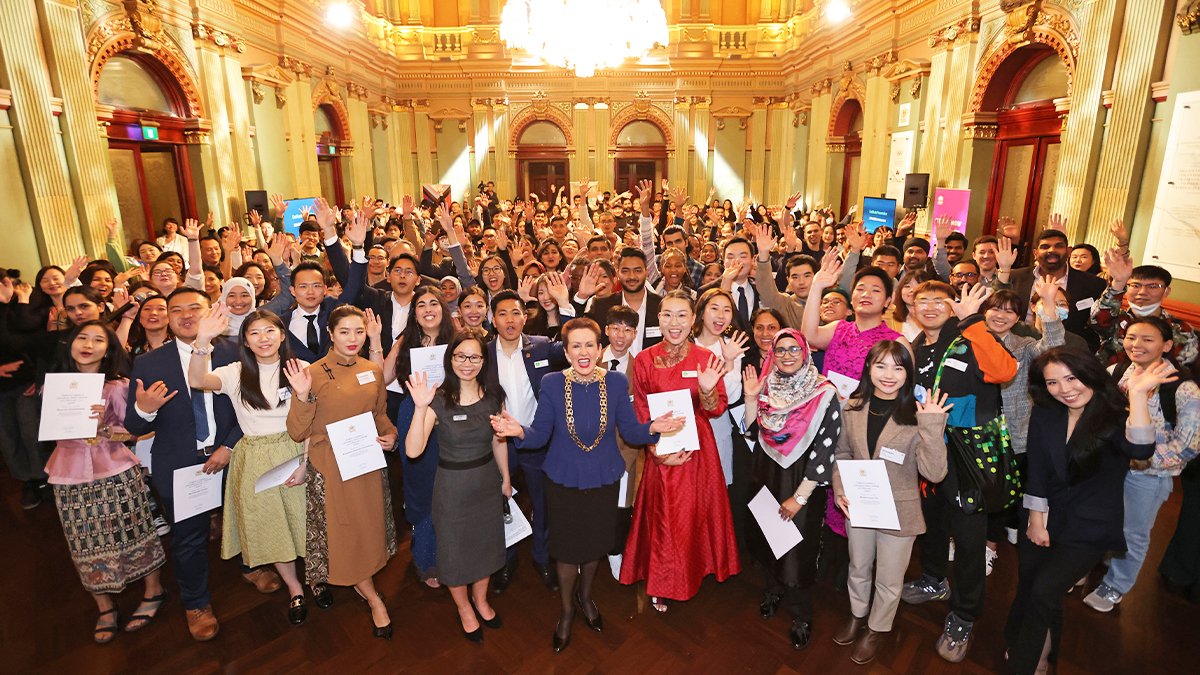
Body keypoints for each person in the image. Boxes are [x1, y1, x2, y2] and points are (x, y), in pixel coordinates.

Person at [491, 317, 681, 651]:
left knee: (593, 547)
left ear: (599, 348)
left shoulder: (617, 382)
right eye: (575, 345)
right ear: (565, 351)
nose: (583, 352)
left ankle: (586, 597)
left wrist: (654, 426)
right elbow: (539, 434)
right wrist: (519, 431)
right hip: (562, 479)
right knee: (565, 553)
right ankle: (566, 611)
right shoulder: (551, 383)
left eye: (589, 345)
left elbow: (632, 432)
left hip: (603, 477)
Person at [124, 287, 271, 642]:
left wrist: (227, 446)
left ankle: (250, 566)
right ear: (168, 319)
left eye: (195, 308)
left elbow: (250, 407)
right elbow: (135, 426)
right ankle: (196, 603)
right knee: (188, 538)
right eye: (177, 310)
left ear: (212, 312)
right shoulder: (149, 362)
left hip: (231, 455)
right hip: (179, 465)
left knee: (242, 517)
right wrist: (144, 408)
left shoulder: (234, 352)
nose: (187, 315)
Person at [1004, 349, 1161, 675]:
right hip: (1042, 516)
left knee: (1044, 590)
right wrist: (1035, 519)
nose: (1064, 388)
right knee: (1031, 586)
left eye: (1071, 377)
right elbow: (1037, 471)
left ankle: (1026, 663)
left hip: (1089, 528)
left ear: (1090, 374)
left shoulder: (1116, 417)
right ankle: (1044, 651)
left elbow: (1142, 449)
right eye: (1053, 382)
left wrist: (1138, 395)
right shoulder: (1046, 414)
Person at [899, 280, 1018, 663]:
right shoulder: (917, 347)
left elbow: (1004, 369)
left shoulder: (969, 337)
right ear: (912, 308)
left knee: (969, 542)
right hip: (929, 454)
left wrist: (973, 320)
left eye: (939, 300)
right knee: (931, 523)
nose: (930, 306)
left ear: (953, 308)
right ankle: (934, 580)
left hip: (970, 461)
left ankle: (965, 614)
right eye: (922, 300)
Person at [187, 307, 310, 627]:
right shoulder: (234, 372)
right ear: (246, 341)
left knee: (308, 521)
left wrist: (308, 461)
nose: (263, 338)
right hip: (255, 456)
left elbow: (316, 419)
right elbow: (197, 379)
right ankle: (294, 588)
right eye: (254, 333)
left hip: (297, 449)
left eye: (269, 331)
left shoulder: (301, 368)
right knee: (274, 526)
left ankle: (318, 578)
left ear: (282, 335)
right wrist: (202, 339)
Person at [830, 340, 949, 664]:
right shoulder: (853, 407)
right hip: (860, 504)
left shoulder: (918, 414)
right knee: (858, 567)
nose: (888, 374)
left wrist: (933, 426)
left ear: (908, 374)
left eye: (898, 367)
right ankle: (857, 615)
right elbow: (841, 454)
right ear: (869, 368)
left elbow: (935, 473)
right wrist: (840, 488)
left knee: (889, 579)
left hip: (900, 511)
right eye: (881, 365)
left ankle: (877, 628)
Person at [620, 290, 740, 610]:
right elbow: (641, 413)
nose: (675, 323)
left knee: (696, 515)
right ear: (658, 319)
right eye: (667, 315)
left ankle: (695, 571)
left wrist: (706, 389)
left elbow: (715, 409)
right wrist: (658, 453)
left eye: (682, 315)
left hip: (699, 450)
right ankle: (664, 581)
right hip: (662, 450)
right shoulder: (645, 359)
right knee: (666, 517)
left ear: (692, 320)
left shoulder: (705, 358)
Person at [46, 321, 166, 643]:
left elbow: (140, 431)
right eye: (81, 338)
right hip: (68, 472)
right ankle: (104, 605)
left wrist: (105, 430)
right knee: (83, 540)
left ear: (109, 349)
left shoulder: (117, 387)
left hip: (115, 468)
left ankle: (154, 590)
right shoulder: (53, 388)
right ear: (69, 345)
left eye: (98, 339)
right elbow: (49, 433)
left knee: (135, 528)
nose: (88, 344)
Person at [284, 306, 398, 640]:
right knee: (343, 530)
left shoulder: (372, 371)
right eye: (344, 332)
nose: (352, 339)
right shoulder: (313, 373)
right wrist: (302, 395)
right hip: (330, 464)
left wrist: (390, 436)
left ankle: (366, 584)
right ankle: (374, 598)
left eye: (359, 331)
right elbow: (296, 431)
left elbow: (379, 414)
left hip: (365, 460)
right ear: (330, 334)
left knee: (367, 524)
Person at [1084, 316, 1200, 612]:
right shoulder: (1117, 371)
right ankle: (1093, 562)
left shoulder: (1184, 389)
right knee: (1101, 518)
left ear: (1168, 345)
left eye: (1148, 339)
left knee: (1134, 532)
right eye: (1132, 337)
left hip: (1149, 476)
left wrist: (1136, 457)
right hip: (1107, 467)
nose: (1136, 344)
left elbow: (1187, 446)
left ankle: (1115, 585)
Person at [405, 328, 509, 644]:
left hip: (486, 483)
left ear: (483, 360)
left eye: (474, 356)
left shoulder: (494, 396)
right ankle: (464, 607)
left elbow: (498, 440)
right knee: (453, 551)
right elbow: (412, 451)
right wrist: (420, 407)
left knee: (485, 546)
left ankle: (481, 600)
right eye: (460, 356)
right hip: (451, 487)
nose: (467, 363)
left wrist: (505, 479)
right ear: (451, 359)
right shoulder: (437, 400)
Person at [740, 329, 842, 650]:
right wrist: (751, 398)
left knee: (796, 550)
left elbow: (827, 449)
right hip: (766, 476)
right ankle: (773, 591)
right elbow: (751, 431)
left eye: (793, 349)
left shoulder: (824, 392)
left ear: (805, 352)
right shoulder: (767, 386)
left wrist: (800, 497)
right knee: (771, 541)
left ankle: (801, 613)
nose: (786, 355)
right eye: (780, 350)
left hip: (801, 485)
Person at [486, 290, 569, 594]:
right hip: (498, 442)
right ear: (493, 320)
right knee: (502, 502)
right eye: (503, 313)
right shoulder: (481, 354)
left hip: (537, 439)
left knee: (543, 502)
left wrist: (569, 305)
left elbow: (575, 346)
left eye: (516, 312)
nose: (510, 319)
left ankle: (541, 556)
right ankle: (506, 559)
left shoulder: (543, 347)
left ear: (524, 317)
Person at [387, 284, 456, 587]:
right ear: (413, 313)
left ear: (444, 309)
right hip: (412, 415)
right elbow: (385, 377)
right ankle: (424, 556)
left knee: (448, 486)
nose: (428, 310)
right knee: (419, 485)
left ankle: (449, 554)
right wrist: (385, 342)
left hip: (450, 417)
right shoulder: (406, 341)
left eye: (434, 304)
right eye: (421, 305)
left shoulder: (459, 341)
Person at [802, 257, 900, 401]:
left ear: (887, 301)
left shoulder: (896, 342)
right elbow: (809, 335)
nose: (866, 294)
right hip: (830, 410)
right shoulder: (838, 328)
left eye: (876, 290)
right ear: (852, 299)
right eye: (860, 289)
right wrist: (817, 286)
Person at [993, 229, 1107, 351]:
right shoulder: (1016, 277)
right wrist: (1004, 268)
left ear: (1068, 252)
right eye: (1045, 247)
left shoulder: (1093, 283)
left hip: (1069, 350)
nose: (1052, 250)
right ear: (1035, 253)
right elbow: (997, 305)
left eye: (1059, 246)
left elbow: (1102, 323)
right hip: (1016, 347)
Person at [1091, 255, 1197, 367]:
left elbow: (1188, 368)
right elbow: (1097, 320)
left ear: (1166, 291)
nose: (1142, 292)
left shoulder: (1181, 329)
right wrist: (1118, 283)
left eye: (1152, 287)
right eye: (1135, 285)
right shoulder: (1116, 319)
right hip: (1108, 380)